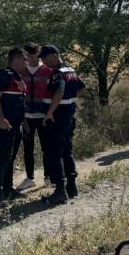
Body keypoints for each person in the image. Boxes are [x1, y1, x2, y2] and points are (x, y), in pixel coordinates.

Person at [41, 44, 86, 204]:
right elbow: (82, 89)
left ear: (53, 55)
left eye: (45, 59)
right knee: (67, 151)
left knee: (55, 153)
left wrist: (50, 112)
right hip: (69, 116)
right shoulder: (71, 70)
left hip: (58, 118)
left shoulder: (58, 73)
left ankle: (60, 190)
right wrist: (71, 100)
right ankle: (72, 187)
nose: (44, 63)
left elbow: (59, 91)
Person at [0, 47, 27, 206]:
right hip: (5, 125)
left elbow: (19, 102)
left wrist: (24, 122)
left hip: (17, 125)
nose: (26, 61)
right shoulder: (4, 74)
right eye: (23, 58)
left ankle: (8, 190)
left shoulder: (19, 77)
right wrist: (1, 118)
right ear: (15, 59)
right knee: (4, 158)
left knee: (10, 159)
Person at [17, 42, 53, 190]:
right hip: (26, 118)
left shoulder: (48, 71)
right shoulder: (21, 72)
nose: (31, 59)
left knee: (47, 148)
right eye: (28, 56)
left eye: (34, 56)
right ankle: (30, 178)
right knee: (28, 149)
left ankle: (48, 177)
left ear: (38, 55)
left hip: (44, 116)